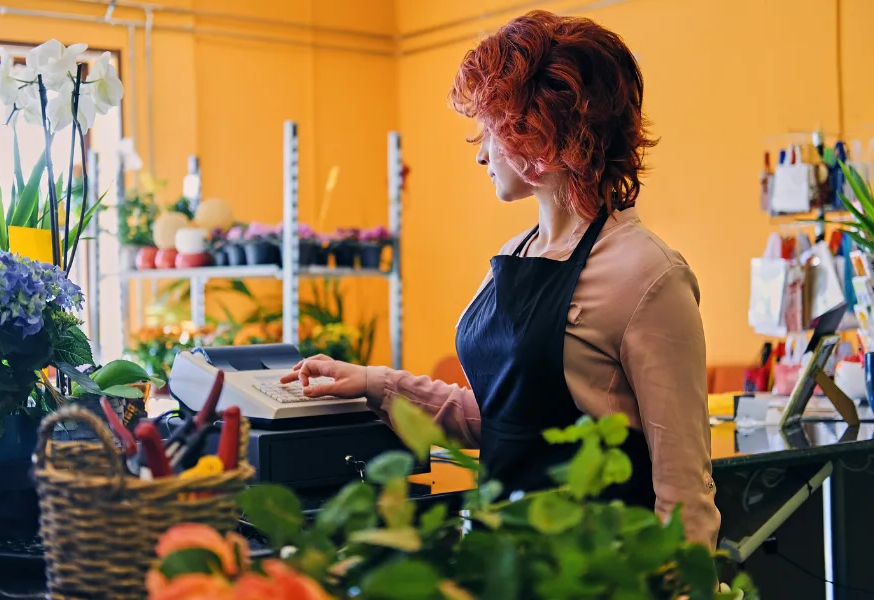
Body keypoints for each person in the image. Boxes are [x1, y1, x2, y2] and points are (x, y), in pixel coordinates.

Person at [281, 11, 720, 549]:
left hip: (596, 569)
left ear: (541, 131)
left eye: (492, 129)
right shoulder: (518, 252)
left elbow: (683, 486)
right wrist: (373, 383)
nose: (483, 152)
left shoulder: (649, 277)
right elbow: (503, 420)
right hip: (505, 556)